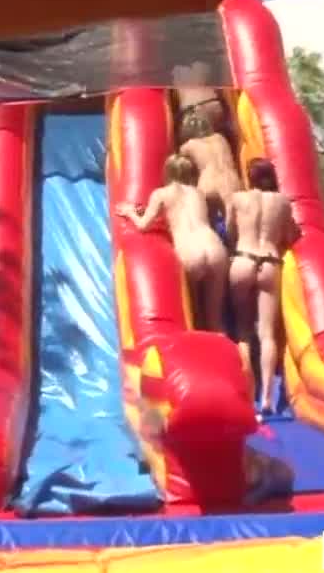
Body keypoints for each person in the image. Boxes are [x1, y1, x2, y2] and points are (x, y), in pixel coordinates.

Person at [115, 154, 229, 333]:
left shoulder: (161, 194)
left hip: (190, 251)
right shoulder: (199, 193)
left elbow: (143, 225)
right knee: (215, 321)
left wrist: (130, 212)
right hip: (214, 247)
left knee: (194, 319)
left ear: (167, 172)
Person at [225, 157, 299, 416]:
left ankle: (248, 393)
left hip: (243, 259)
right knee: (267, 333)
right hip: (269, 262)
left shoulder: (238, 198)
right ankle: (267, 397)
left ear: (250, 177)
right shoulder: (283, 202)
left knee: (243, 331)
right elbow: (289, 237)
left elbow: (231, 232)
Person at [176, 108, 242, 235]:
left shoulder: (189, 145)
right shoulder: (220, 138)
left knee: (208, 226)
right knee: (236, 225)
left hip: (209, 182)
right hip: (232, 180)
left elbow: (179, 164)